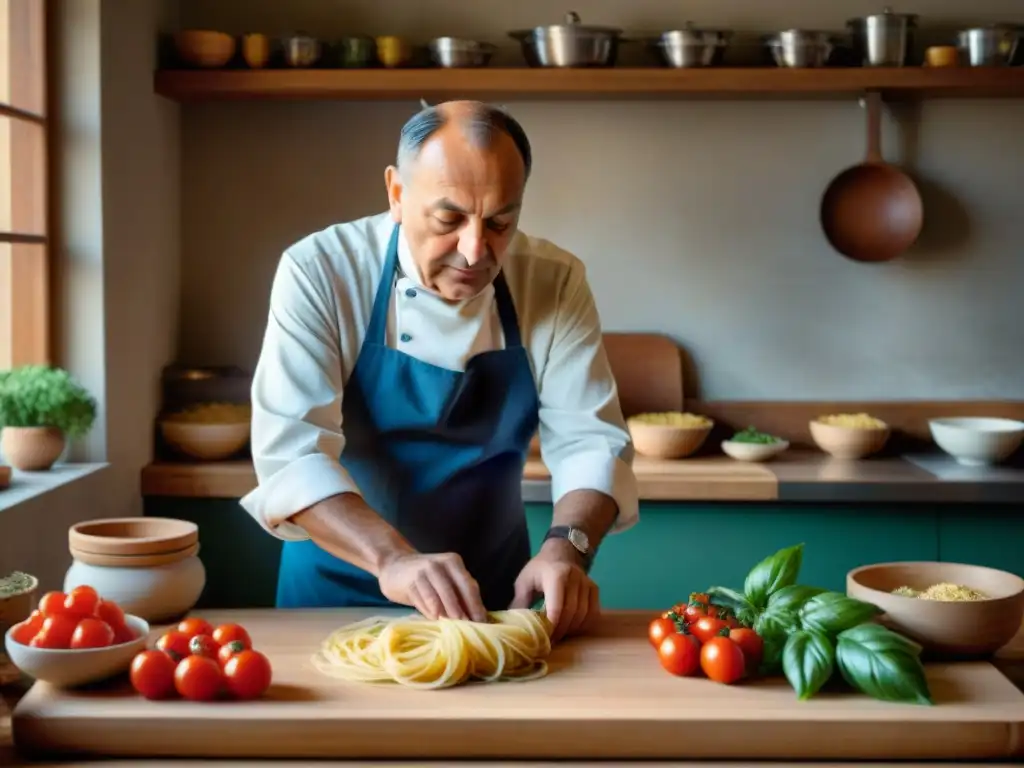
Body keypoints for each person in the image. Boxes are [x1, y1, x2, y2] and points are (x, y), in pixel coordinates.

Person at [240, 100, 638, 642]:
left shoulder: (554, 280)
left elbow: (592, 441)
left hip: (495, 603)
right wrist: (393, 560)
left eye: (500, 222)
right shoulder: (321, 271)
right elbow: (291, 454)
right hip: (333, 599)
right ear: (397, 194)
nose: (475, 251)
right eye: (448, 219)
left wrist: (567, 549)